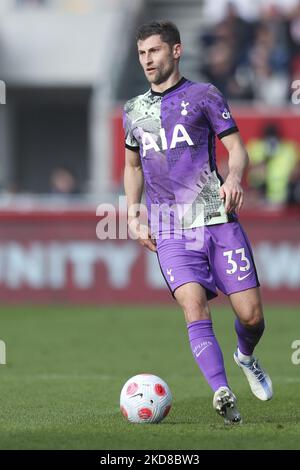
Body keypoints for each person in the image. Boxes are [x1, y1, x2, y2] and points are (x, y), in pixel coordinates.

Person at [123, 21, 273, 425]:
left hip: (215, 218)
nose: (147, 60)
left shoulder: (204, 95)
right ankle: (221, 391)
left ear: (176, 51)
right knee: (193, 305)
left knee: (251, 317)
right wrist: (134, 212)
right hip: (170, 227)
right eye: (141, 53)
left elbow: (236, 148)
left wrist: (235, 177)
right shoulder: (134, 111)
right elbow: (132, 166)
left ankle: (246, 355)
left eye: (154, 51)